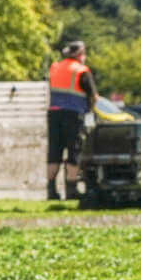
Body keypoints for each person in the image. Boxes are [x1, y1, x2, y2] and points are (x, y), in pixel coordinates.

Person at [46, 40, 99, 203]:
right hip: (73, 115)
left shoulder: (55, 67)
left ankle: (51, 191)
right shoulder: (82, 71)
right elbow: (94, 96)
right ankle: (71, 189)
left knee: (54, 151)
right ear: (80, 55)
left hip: (54, 114)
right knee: (73, 151)